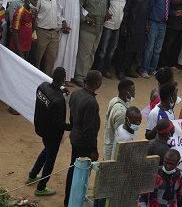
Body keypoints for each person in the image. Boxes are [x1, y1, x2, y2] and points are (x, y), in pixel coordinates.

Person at [27, 67, 71, 196]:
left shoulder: (42, 87)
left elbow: (51, 92)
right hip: (52, 134)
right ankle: (41, 188)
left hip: (41, 128)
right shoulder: (58, 100)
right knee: (50, 159)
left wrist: (60, 90)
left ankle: (32, 175)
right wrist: (72, 127)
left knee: (46, 151)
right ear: (63, 79)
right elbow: (58, 123)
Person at [64, 70, 102, 206]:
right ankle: (74, 200)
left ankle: (68, 199)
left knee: (72, 167)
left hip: (75, 137)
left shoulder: (76, 93)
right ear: (97, 83)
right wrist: (93, 149)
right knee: (81, 172)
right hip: (84, 143)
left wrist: (74, 128)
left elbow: (72, 116)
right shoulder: (91, 102)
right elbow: (88, 129)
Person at [74, 0, 108, 87]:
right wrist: (85, 19)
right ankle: (79, 77)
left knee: (92, 53)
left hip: (99, 28)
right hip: (87, 29)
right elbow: (78, 8)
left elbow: (104, 6)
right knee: (84, 54)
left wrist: (106, 14)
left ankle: (86, 76)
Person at [116, 0, 151, 79]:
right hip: (131, 24)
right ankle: (120, 71)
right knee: (127, 49)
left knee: (135, 49)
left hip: (140, 25)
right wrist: (124, 26)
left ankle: (128, 69)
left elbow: (146, 9)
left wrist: (146, 24)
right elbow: (126, 10)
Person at [140, 0, 175, 78]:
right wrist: (147, 23)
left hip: (163, 23)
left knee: (157, 49)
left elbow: (166, 8)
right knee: (149, 48)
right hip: (153, 23)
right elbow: (149, 8)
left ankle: (152, 68)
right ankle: (144, 69)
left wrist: (173, 13)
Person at [35, 0, 63, 76]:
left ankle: (47, 78)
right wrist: (35, 34)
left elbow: (57, 12)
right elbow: (34, 16)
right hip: (42, 31)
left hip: (53, 32)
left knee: (51, 58)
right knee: (38, 58)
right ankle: (35, 77)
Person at [102, 79, 135, 159]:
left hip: (108, 145)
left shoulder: (114, 100)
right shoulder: (122, 113)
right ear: (126, 93)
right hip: (113, 153)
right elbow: (120, 135)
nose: (134, 94)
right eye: (133, 92)